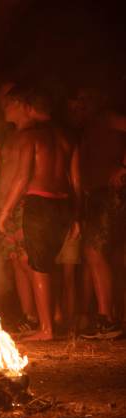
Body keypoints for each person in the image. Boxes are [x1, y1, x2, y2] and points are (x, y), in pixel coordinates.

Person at [0, 85, 80, 341]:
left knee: (38, 265)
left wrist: (4, 212)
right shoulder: (67, 138)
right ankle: (51, 321)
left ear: (31, 109)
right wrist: (76, 216)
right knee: (48, 263)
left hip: (38, 204)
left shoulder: (30, 138)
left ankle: (46, 329)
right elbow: (75, 182)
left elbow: (22, 178)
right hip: (63, 204)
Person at [68, 88, 126, 339]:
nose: (76, 110)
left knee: (95, 252)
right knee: (97, 254)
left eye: (80, 104)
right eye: (72, 107)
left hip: (108, 194)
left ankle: (108, 320)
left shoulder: (106, 118)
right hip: (95, 196)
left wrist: (124, 167)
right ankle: (108, 317)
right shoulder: (87, 129)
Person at [0, 83, 39, 332]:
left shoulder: (31, 135)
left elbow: (24, 175)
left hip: (22, 204)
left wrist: (10, 206)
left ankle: (47, 317)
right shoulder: (13, 135)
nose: (5, 107)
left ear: (23, 106)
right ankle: (29, 317)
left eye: (10, 103)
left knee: (26, 259)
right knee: (16, 260)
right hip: (8, 204)